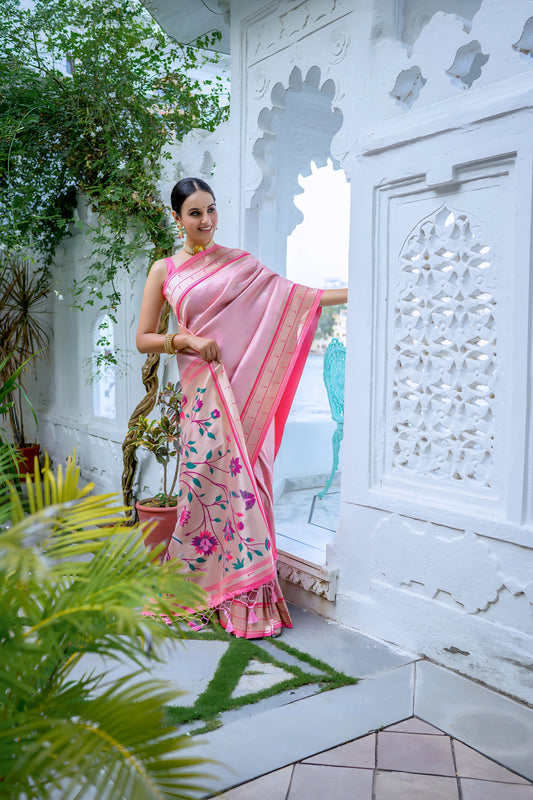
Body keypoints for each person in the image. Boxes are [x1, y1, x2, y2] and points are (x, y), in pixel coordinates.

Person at [136, 177, 348, 638]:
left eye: (211, 210)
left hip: (246, 390)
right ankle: (199, 590)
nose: (206, 221)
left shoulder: (239, 265)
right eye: (195, 213)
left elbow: (290, 299)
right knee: (203, 489)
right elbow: (143, 339)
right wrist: (187, 338)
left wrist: (354, 293)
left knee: (252, 485)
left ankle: (250, 599)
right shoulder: (164, 270)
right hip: (202, 390)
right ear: (176, 218)